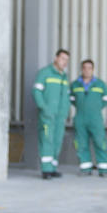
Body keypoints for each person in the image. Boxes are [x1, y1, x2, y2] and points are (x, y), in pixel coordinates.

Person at [32, 49, 71, 179]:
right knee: (47, 140)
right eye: (62, 58)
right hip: (47, 115)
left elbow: (66, 97)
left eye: (66, 60)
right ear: (55, 58)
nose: (64, 62)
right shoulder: (45, 73)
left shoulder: (64, 77)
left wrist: (65, 112)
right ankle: (46, 170)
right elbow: (36, 91)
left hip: (60, 116)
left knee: (57, 140)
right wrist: (44, 108)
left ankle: (53, 167)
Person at [70, 59, 107, 176]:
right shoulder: (75, 85)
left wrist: (94, 108)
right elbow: (72, 100)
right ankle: (85, 168)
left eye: (89, 68)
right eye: (84, 68)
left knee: (100, 142)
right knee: (81, 143)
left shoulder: (100, 84)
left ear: (93, 70)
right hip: (80, 118)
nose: (87, 70)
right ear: (81, 69)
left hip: (96, 119)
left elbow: (106, 100)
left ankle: (103, 169)